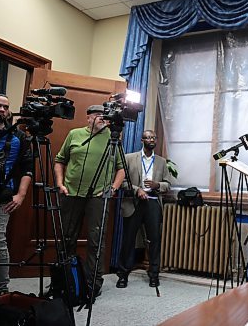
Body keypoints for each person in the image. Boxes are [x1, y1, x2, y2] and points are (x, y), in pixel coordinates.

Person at [54, 104, 125, 297]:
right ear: (88, 118)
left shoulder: (113, 138)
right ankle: (64, 280)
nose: (102, 118)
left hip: (98, 197)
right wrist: (60, 183)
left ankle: (93, 283)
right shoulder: (74, 134)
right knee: (67, 238)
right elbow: (60, 160)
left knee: (96, 241)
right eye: (97, 115)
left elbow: (121, 168)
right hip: (71, 193)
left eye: (104, 115)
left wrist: (113, 188)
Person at [116, 130, 172, 289]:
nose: (151, 139)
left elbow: (168, 184)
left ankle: (154, 274)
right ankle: (123, 274)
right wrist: (136, 190)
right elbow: (122, 182)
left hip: (153, 203)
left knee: (154, 240)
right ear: (142, 140)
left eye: (154, 137)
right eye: (148, 137)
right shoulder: (129, 158)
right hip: (133, 202)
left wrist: (157, 185)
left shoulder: (161, 162)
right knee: (128, 240)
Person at [0, 93, 33, 294]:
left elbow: (28, 168)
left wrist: (21, 195)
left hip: (3, 197)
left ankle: (1, 289)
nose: (2, 110)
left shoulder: (18, 137)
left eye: (5, 107)